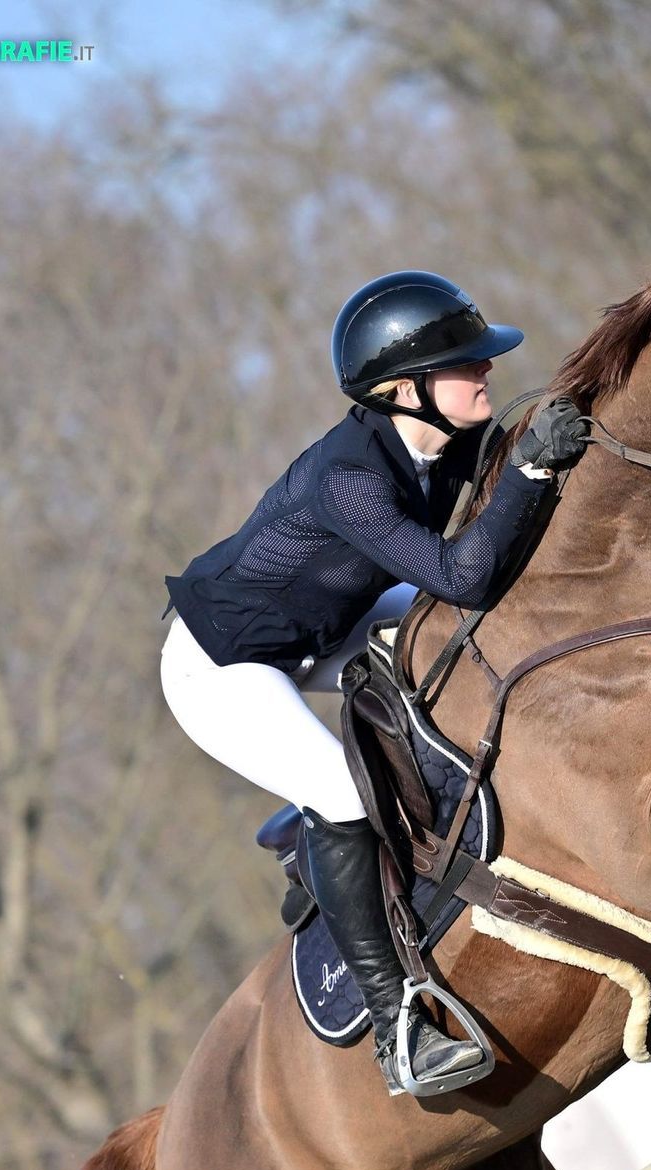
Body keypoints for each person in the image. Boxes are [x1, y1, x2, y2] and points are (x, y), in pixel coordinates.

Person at [160, 271, 589, 1096]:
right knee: (343, 797)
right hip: (222, 661)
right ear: (405, 391)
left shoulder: (447, 438)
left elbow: (475, 573)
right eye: (467, 366)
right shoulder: (347, 478)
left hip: (327, 617)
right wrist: (530, 478)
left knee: (453, 637)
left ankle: (322, 820)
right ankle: (399, 1030)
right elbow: (463, 571)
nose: (486, 374)